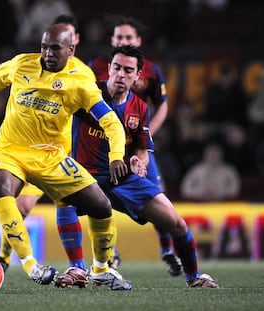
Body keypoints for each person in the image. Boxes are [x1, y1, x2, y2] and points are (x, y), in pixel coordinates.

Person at [0, 23, 132, 290]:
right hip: (10, 151)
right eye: (44, 47)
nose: (48, 53)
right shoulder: (22, 65)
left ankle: (100, 269)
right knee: (0, 185)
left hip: (52, 158)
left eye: (55, 48)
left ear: (71, 49)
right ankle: (31, 265)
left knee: (101, 206)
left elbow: (111, 122)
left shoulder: (81, 81)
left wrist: (116, 156)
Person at [54, 45, 219, 289]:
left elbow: (142, 151)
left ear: (137, 75)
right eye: (117, 68)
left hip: (122, 179)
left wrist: (137, 161)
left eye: (128, 70)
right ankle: (77, 269)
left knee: (177, 223)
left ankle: (194, 277)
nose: (121, 74)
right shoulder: (87, 94)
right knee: (63, 195)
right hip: (86, 178)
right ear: (108, 69)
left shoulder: (140, 108)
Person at [0, 14, 104, 272]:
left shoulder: (83, 74)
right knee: (20, 206)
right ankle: (3, 257)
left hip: (58, 153)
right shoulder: (33, 66)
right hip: (25, 152)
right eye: (47, 44)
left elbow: (89, 115)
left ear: (73, 42)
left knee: (80, 203)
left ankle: (83, 264)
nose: (49, 51)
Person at [88, 15, 181, 276]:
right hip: (100, 147)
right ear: (112, 40)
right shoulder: (93, 67)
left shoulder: (151, 70)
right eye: (119, 37)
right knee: (99, 201)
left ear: (138, 41)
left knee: (155, 194)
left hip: (136, 146)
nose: (123, 41)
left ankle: (167, 251)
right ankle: (110, 255)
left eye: (128, 37)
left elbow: (162, 104)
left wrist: (148, 134)